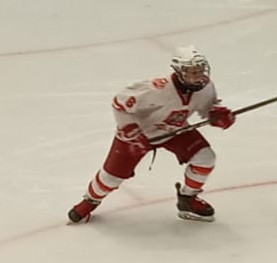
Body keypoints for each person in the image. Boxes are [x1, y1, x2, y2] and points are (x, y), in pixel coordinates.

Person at [68, 46, 234, 225]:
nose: (199, 75)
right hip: (138, 136)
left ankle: (188, 198)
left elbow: (209, 106)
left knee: (206, 158)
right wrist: (129, 129)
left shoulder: (205, 86)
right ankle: (90, 201)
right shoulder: (157, 89)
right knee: (111, 178)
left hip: (174, 131)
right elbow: (120, 103)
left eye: (200, 70)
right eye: (193, 71)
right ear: (179, 71)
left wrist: (217, 114)